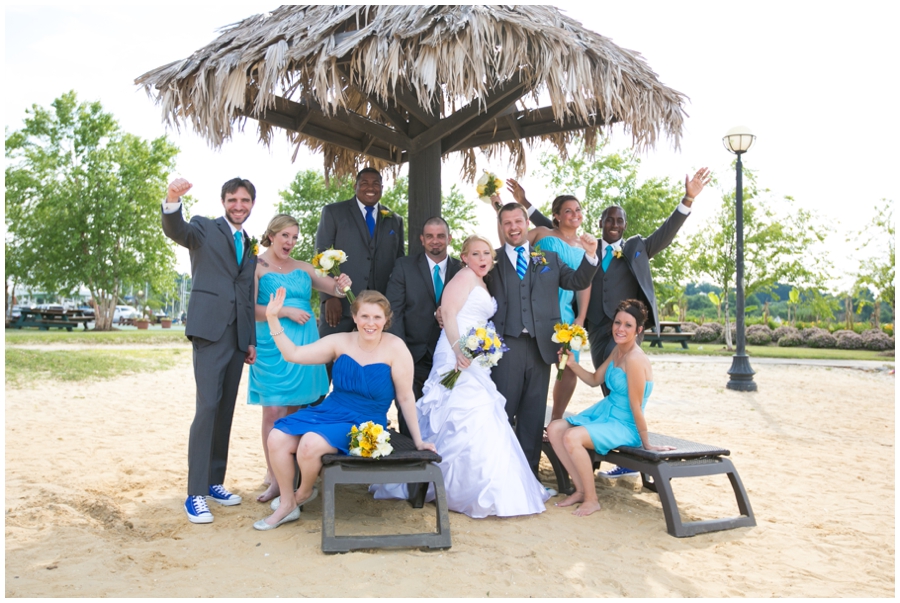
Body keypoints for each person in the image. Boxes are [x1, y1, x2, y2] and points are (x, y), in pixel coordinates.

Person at [528, 168, 710, 478]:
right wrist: (528, 207)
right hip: (599, 330)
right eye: (608, 220)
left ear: (624, 225)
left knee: (627, 388)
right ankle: (608, 447)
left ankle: (628, 455)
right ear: (599, 224)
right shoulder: (587, 246)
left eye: (619, 220)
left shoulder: (637, 247)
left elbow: (666, 232)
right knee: (610, 387)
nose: (614, 224)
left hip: (626, 330)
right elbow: (559, 228)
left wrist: (688, 198)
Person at [374, 235, 550, 517]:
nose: (482, 259)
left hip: (475, 354)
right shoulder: (464, 277)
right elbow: (449, 312)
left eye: (486, 254)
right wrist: (458, 351)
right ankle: (450, 484)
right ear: (464, 257)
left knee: (480, 410)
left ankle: (484, 485)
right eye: (475, 254)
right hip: (455, 353)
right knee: (456, 406)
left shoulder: (483, 282)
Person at [253, 289, 436, 531]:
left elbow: (405, 396)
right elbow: (293, 354)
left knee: (309, 443)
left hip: (366, 420)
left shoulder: (396, 348)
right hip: (332, 409)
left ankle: (303, 493)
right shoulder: (340, 341)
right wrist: (273, 318)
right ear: (355, 317)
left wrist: (419, 440)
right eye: (365, 317)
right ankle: (287, 502)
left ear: (386, 320)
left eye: (377, 318)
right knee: (276, 437)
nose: (370, 323)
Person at [161, 177, 257, 524]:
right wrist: (172, 199)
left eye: (245, 200)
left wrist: (250, 340)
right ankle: (195, 494)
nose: (238, 205)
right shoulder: (203, 229)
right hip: (209, 333)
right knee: (207, 409)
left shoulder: (248, 242)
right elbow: (177, 230)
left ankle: (215, 481)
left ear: (251, 204)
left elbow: (246, 295)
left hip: (236, 339)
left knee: (225, 411)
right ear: (223, 202)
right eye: (233, 199)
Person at [488, 203, 599, 480]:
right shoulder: (493, 260)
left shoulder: (545, 257)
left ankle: (529, 478)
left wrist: (590, 256)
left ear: (527, 223)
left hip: (541, 348)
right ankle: (499, 475)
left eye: (518, 221)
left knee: (533, 415)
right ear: (501, 228)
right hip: (507, 347)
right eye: (507, 223)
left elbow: (576, 281)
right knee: (503, 412)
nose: (513, 227)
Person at [248, 214, 352, 503]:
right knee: (272, 412)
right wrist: (283, 311)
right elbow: (251, 309)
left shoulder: (304, 268)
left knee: (294, 414)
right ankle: (272, 478)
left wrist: (342, 284)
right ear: (271, 235)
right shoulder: (256, 266)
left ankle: (288, 477)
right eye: (285, 236)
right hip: (271, 343)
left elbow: (335, 290)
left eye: (295, 238)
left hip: (304, 344)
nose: (290, 243)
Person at [546, 299, 675, 516]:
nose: (620, 329)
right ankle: (579, 490)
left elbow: (635, 405)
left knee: (572, 437)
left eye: (628, 325)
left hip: (625, 424)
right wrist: (572, 364)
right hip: (606, 413)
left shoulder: (634, 358)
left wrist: (647, 443)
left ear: (639, 330)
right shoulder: (618, 351)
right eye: (617, 323)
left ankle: (591, 498)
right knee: (555, 429)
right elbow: (596, 379)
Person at [496, 180, 591, 426]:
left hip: (562, 312)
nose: (574, 214)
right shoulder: (543, 235)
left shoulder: (585, 245)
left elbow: (582, 281)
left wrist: (580, 318)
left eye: (577, 209)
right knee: (518, 382)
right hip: (530, 306)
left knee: (565, 366)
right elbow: (513, 240)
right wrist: (500, 204)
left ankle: (555, 418)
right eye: (567, 210)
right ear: (556, 216)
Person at [385, 217, 462, 435]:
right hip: (412, 354)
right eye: (430, 236)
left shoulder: (462, 269)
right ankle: (411, 462)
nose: (435, 241)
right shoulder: (404, 266)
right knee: (410, 413)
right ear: (422, 239)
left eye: (440, 236)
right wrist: (400, 353)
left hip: (450, 355)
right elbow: (394, 312)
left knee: (445, 414)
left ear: (449, 238)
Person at [315, 167, 404, 352]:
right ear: (355, 186)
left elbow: (399, 263)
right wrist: (329, 296)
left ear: (382, 187)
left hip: (378, 312)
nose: (370, 187)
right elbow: (322, 254)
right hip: (340, 305)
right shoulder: (333, 212)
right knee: (326, 363)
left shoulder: (395, 220)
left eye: (375, 184)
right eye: (364, 183)